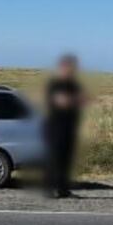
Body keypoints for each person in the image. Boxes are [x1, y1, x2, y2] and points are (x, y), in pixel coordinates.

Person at [44, 54, 85, 198]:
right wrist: (76, 99)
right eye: (69, 67)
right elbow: (62, 102)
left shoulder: (73, 85)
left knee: (67, 159)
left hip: (70, 126)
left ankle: (63, 189)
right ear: (62, 67)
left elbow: (82, 100)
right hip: (56, 127)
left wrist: (75, 100)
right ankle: (48, 189)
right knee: (54, 158)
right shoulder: (55, 84)